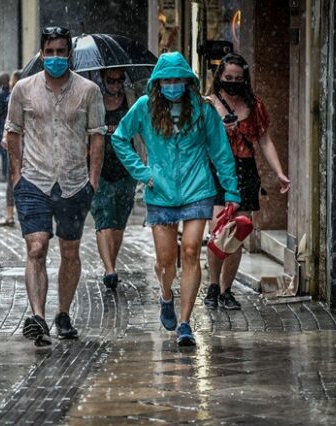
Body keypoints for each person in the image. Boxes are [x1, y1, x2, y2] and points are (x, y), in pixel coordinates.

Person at [112, 52, 240, 347]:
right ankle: (166, 295)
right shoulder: (145, 108)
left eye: (177, 79)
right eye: (166, 80)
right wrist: (144, 173)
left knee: (192, 250)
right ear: (158, 83)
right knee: (166, 261)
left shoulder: (203, 110)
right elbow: (120, 138)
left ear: (187, 81)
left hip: (198, 189)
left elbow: (221, 152)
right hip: (161, 192)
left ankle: (185, 323)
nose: (172, 84)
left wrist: (231, 191)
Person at [5, 26, 105, 346]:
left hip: (75, 184)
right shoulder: (23, 89)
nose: (56, 58)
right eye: (50, 52)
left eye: (62, 52)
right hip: (34, 181)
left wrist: (93, 180)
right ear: (41, 53)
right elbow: (13, 132)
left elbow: (98, 136)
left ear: (70, 54)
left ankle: (62, 312)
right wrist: (17, 177)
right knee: (36, 247)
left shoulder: (89, 91)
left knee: (70, 251)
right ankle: (38, 317)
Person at [204, 53, 290, 310]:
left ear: (245, 79)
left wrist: (279, 172)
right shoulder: (207, 105)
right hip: (216, 171)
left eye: (238, 78)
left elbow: (264, 140)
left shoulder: (255, 105)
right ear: (219, 76)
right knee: (218, 233)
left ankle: (226, 290)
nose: (232, 82)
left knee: (237, 233)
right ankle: (211, 285)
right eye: (228, 77)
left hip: (245, 170)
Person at [90, 68, 138, 290]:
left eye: (120, 80)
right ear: (102, 80)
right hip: (99, 171)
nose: (115, 85)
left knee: (118, 224)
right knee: (104, 220)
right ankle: (109, 269)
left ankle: (112, 263)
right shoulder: (94, 102)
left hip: (126, 172)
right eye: (111, 80)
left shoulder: (131, 101)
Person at [0, 70, 23, 227]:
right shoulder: (18, 97)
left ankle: (10, 214)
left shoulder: (13, 97)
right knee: (16, 178)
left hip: (20, 144)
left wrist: (5, 136)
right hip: (22, 144)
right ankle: (12, 214)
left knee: (13, 179)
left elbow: (8, 121)